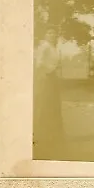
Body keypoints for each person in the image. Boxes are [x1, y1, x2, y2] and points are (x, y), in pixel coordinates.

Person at [33, 25, 64, 158]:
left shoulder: (54, 47)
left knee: (54, 106)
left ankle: (53, 135)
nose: (52, 35)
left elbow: (56, 63)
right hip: (45, 77)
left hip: (53, 77)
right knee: (44, 104)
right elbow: (39, 63)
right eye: (49, 33)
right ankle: (38, 135)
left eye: (54, 33)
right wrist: (47, 72)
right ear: (45, 34)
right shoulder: (44, 46)